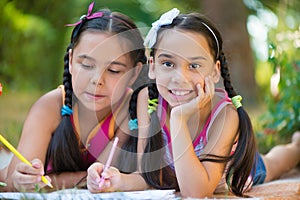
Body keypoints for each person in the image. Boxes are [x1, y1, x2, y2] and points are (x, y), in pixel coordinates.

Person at [125, 8, 300, 198]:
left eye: (194, 66)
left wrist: (179, 119)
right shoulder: (148, 100)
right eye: (168, 63)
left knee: (274, 163)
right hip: (178, 176)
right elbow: (147, 173)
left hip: (234, 172)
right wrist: (113, 180)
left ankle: (296, 147)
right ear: (152, 66)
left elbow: (196, 192)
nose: (179, 78)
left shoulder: (225, 115)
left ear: (215, 72)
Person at [3, 2, 147, 192]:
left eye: (113, 70)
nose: (97, 80)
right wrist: (22, 178)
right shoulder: (50, 106)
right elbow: (13, 181)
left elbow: (101, 176)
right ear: (71, 61)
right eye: (86, 65)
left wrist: (52, 181)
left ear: (134, 73)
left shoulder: (132, 108)